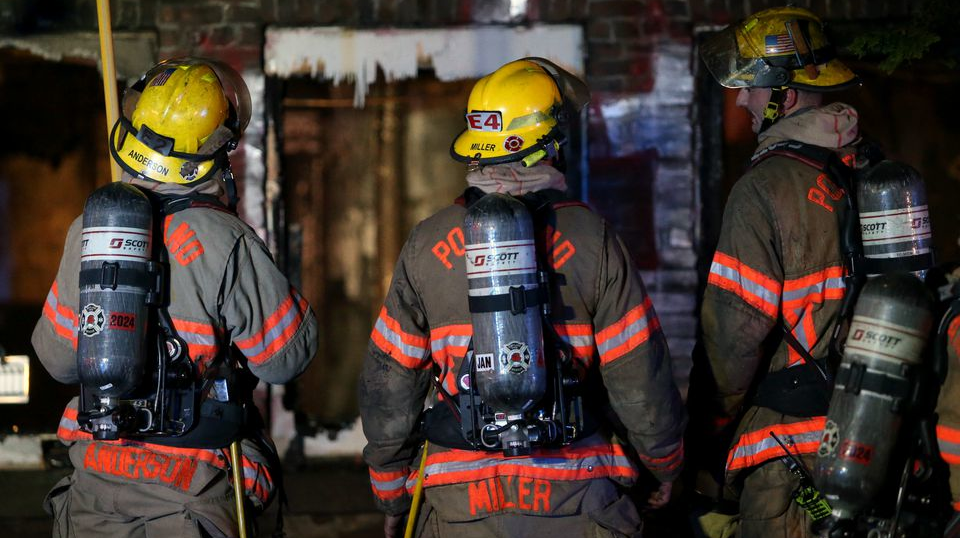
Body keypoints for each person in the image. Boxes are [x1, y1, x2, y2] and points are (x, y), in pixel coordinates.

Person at [358, 58, 686, 538]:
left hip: (459, 503)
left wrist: (391, 493)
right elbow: (640, 377)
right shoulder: (592, 239)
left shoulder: (427, 242)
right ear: (550, 144)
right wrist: (664, 465)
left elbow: (389, 382)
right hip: (576, 495)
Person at [32, 58, 317, 537]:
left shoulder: (88, 232)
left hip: (95, 484)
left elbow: (57, 359)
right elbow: (286, 359)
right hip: (193, 488)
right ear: (215, 150)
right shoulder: (225, 239)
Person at [693, 6, 862, 537]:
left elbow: (733, 337)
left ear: (783, 97)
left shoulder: (764, 188)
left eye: (750, 87)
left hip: (793, 454)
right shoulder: (873, 171)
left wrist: (707, 441)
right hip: (878, 440)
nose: (740, 100)